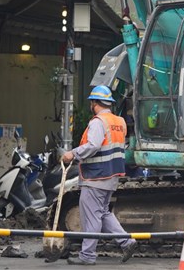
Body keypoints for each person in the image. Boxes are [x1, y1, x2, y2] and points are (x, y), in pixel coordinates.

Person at [62, 85, 137, 266]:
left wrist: (73, 153)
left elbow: (94, 145)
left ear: (94, 103)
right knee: (103, 213)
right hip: (111, 176)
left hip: (96, 177)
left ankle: (87, 256)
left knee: (91, 216)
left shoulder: (98, 122)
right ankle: (127, 242)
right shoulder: (119, 121)